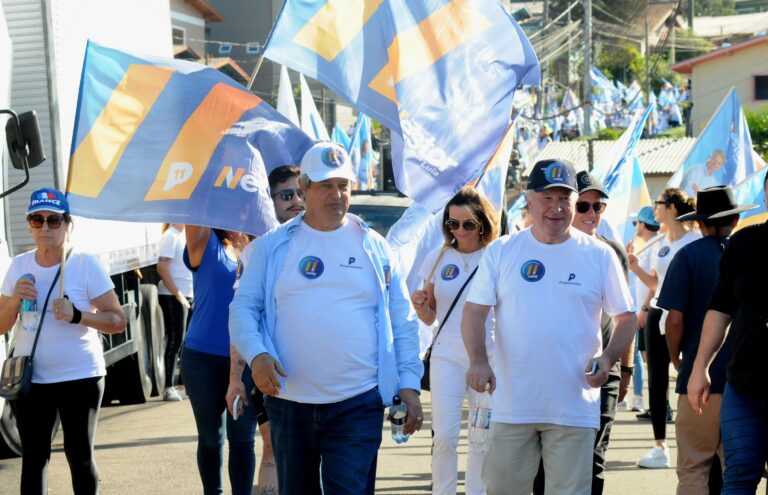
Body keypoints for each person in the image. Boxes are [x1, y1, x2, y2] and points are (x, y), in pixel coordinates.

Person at [229, 141, 423, 495]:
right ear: (303, 187)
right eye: (325, 186)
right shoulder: (271, 248)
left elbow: (404, 321)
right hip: (289, 405)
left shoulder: (374, 247)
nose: (337, 195)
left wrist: (409, 385)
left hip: (358, 402)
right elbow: (243, 309)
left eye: (343, 185)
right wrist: (256, 355)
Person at [462, 159, 636, 495]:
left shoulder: (599, 255)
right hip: (513, 404)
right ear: (528, 199)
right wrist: (479, 360)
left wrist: (610, 358)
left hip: (574, 405)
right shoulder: (502, 251)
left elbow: (626, 318)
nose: (556, 208)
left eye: (565, 199)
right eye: (547, 198)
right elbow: (474, 312)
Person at [0, 188, 127, 494]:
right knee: (33, 458)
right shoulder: (19, 266)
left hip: (80, 376)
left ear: (67, 225)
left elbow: (117, 320)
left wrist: (77, 315)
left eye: (53, 220)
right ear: (29, 224)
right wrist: (15, 299)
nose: (44, 227)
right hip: (32, 379)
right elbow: (2, 324)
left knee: (79, 457)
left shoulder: (84, 264)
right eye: (37, 219)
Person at [533, 171, 634, 495]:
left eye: (598, 207)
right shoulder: (535, 247)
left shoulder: (610, 252)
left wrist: (624, 367)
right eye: (585, 206)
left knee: (593, 459)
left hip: (600, 372)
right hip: (549, 374)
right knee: (544, 465)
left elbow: (625, 314)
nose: (592, 214)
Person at [658, 186, 756, 494]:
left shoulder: (686, 256)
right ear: (736, 218)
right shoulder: (750, 254)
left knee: (693, 466)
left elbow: (674, 320)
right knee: (738, 473)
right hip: (746, 379)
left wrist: (677, 359)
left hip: (698, 378)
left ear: (699, 222)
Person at [411, 187, 499, 495]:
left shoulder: (496, 255)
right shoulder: (437, 258)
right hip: (446, 356)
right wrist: (422, 307)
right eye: (452, 223)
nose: (459, 230)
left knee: (481, 438)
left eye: (467, 224)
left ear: (483, 223)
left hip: (488, 359)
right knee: (444, 437)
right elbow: (431, 316)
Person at [688, 169, 768, 493]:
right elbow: (720, 309)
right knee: (738, 477)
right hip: (744, 384)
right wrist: (699, 368)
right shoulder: (744, 243)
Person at [233, 164, 306, 495]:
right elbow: (240, 314)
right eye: (286, 195)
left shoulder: (334, 242)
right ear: (272, 202)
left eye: (301, 192)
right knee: (273, 446)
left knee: (312, 455)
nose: (295, 201)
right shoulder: (257, 251)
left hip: (318, 372)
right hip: (271, 369)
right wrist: (236, 377)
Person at [180, 225, 256, 495]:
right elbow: (195, 207)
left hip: (247, 357)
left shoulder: (257, 241)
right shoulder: (205, 239)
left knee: (243, 439)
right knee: (212, 438)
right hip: (202, 359)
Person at [630, 188, 700, 469]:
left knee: (688, 377)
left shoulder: (695, 240)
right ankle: (660, 446)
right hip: (659, 312)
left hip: (685, 315)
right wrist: (634, 267)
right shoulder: (661, 243)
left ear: (671, 208)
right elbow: (656, 284)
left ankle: (695, 441)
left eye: (658, 203)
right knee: (656, 381)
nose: (654, 208)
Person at [624, 207, 661, 413]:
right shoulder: (646, 246)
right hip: (643, 308)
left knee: (652, 360)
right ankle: (651, 404)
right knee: (647, 358)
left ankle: (656, 405)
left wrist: (645, 308)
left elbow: (654, 282)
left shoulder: (655, 245)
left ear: (643, 224)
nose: (635, 227)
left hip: (649, 309)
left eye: (636, 222)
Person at [156, 223, 193, 401]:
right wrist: (178, 294)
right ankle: (168, 387)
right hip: (172, 295)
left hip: (187, 294)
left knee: (186, 341)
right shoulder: (170, 236)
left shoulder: (184, 234)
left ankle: (182, 385)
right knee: (174, 339)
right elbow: (162, 268)